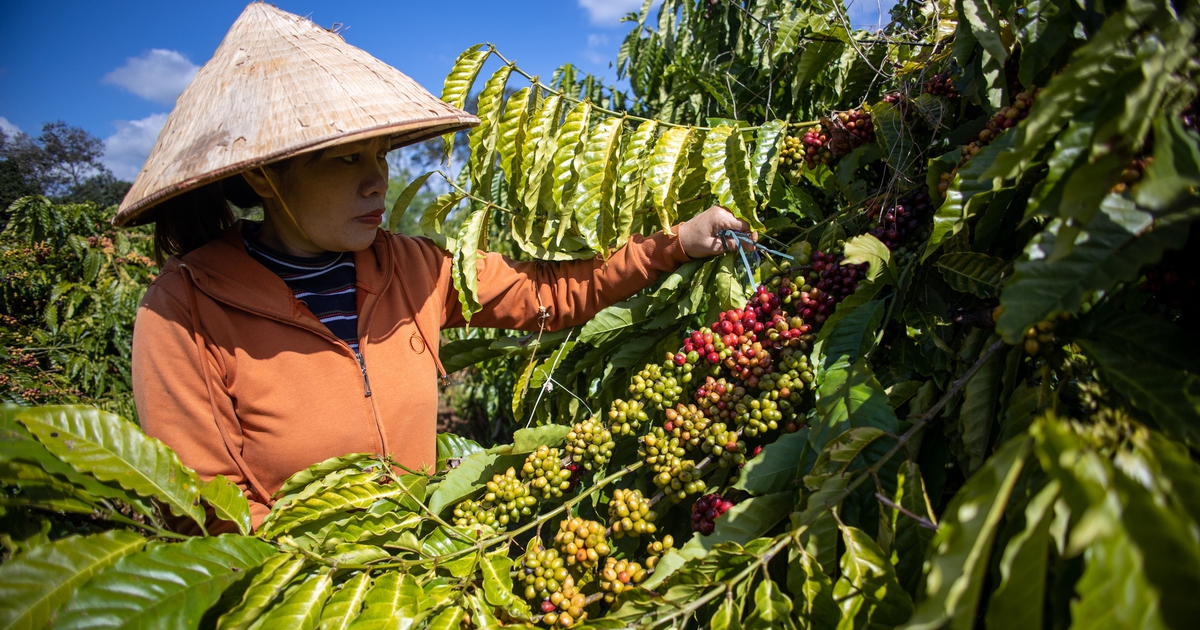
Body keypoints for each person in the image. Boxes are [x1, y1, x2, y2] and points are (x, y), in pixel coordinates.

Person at [119, 4, 751, 531]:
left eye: (379, 155)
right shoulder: (187, 309)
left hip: (429, 572)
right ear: (262, 174)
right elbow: (209, 510)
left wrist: (675, 243)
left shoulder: (413, 268)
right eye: (343, 160)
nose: (376, 181)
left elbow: (547, 294)